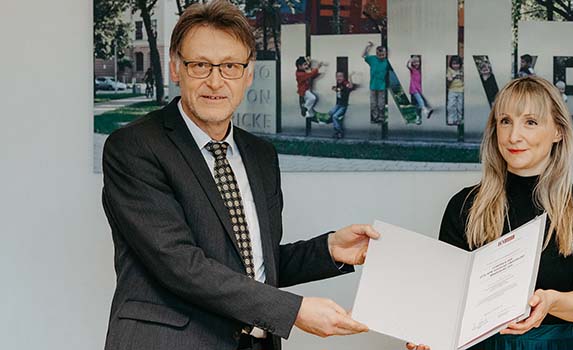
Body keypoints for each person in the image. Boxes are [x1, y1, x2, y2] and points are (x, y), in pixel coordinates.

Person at [101, 2, 376, 349]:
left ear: (248, 74)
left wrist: (329, 250)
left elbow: (254, 265)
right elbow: (179, 263)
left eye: (230, 66)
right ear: (176, 68)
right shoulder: (134, 147)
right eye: (200, 65)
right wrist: (293, 312)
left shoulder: (261, 156)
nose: (215, 81)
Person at [409, 76, 573, 350]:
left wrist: (551, 301)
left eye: (530, 122)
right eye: (505, 121)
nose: (514, 136)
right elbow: (445, 299)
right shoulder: (465, 205)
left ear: (558, 131)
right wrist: (428, 335)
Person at [363, 41, 389, 123]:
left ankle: (381, 116)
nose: (381, 56)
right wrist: (368, 47)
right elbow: (364, 55)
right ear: (377, 54)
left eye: (383, 55)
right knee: (373, 103)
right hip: (373, 86)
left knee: (381, 103)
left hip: (382, 86)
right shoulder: (373, 59)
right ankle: (375, 117)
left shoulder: (387, 61)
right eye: (379, 55)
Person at [407, 55, 433, 121]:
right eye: (414, 62)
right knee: (420, 101)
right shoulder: (412, 70)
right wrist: (409, 61)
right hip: (414, 89)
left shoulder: (419, 70)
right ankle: (426, 111)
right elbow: (408, 66)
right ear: (412, 63)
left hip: (418, 89)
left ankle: (419, 116)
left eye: (417, 62)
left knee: (417, 104)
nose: (416, 63)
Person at [328, 71, 353, 139]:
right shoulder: (339, 84)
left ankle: (339, 131)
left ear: (344, 77)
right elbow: (339, 90)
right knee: (330, 113)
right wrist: (335, 88)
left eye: (340, 76)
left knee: (335, 116)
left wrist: (350, 78)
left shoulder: (344, 83)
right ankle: (337, 125)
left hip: (343, 105)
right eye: (337, 76)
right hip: (338, 104)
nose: (339, 78)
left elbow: (350, 86)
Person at [446, 55, 465, 125]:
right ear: (451, 64)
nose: (455, 66)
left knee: (460, 106)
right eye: (454, 64)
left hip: (461, 90)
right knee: (451, 105)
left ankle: (459, 119)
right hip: (452, 90)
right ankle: (451, 119)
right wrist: (451, 78)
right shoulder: (450, 70)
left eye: (457, 64)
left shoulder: (462, 70)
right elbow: (448, 79)